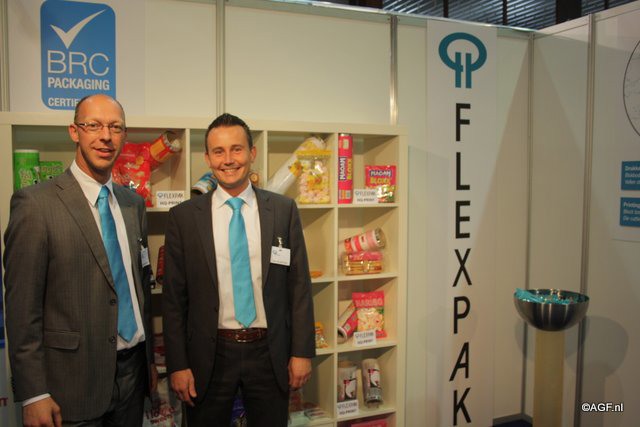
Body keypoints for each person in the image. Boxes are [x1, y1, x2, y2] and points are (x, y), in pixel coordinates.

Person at [3, 94, 157, 427]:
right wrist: (33, 393)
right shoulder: (36, 205)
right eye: (94, 126)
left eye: (115, 127)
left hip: (133, 375)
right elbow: (22, 309)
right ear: (74, 132)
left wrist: (148, 363)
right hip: (70, 384)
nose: (106, 136)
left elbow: (140, 286)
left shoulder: (133, 204)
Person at [162, 113, 315, 426]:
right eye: (218, 151)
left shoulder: (283, 210)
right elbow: (174, 299)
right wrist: (177, 364)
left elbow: (299, 286)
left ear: (252, 153)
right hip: (209, 355)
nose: (228, 160)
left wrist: (301, 352)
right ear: (207, 158)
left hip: (269, 353)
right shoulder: (184, 218)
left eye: (237, 149)